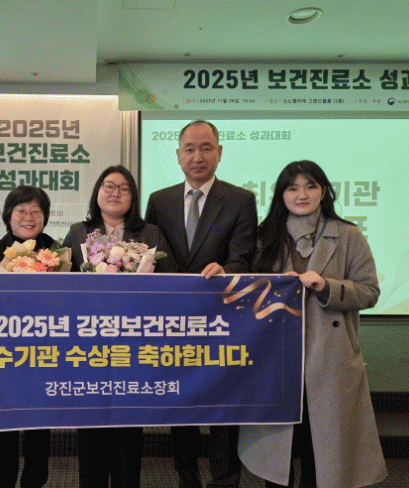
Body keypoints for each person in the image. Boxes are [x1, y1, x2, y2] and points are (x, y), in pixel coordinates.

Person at [238, 161, 387, 488]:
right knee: (277, 452)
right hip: (277, 357)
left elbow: (370, 292)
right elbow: (247, 290)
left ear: (323, 192)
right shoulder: (266, 236)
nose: (301, 194)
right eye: (292, 188)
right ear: (281, 195)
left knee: (320, 451)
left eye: (310, 186)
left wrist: (326, 286)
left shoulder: (347, 235)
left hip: (328, 358)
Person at [145, 120, 257, 488]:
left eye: (206, 148)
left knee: (224, 403)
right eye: (190, 149)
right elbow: (150, 255)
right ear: (178, 155)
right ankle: (187, 477)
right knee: (183, 401)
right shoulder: (158, 201)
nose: (198, 156)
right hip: (175, 321)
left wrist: (227, 270)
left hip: (223, 319)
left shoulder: (241, 199)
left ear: (219, 153)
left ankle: (225, 479)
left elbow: (244, 257)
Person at [63, 165, 176, 488]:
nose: (115, 193)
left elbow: (170, 281)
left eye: (124, 188)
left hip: (133, 345)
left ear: (133, 196)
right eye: (109, 186)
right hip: (90, 345)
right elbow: (62, 285)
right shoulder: (78, 232)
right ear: (98, 191)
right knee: (91, 424)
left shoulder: (150, 234)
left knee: (128, 425)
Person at [0, 185, 52, 488]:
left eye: (36, 211)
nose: (29, 217)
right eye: (21, 211)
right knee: (2, 426)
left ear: (44, 217)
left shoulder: (56, 253)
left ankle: (34, 482)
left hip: (43, 356)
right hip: (2, 356)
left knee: (39, 429)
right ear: (8, 216)